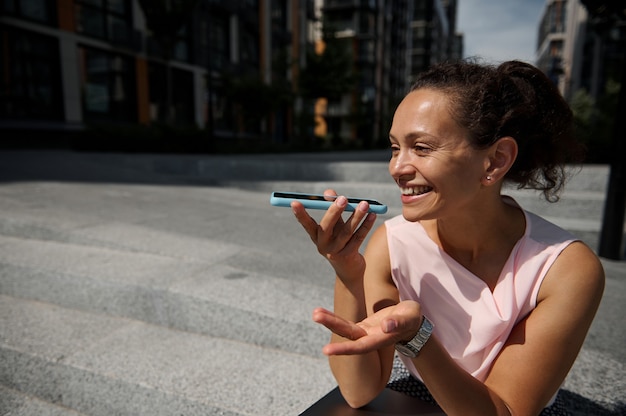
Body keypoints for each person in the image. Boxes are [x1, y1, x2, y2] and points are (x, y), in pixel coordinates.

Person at [291, 59, 605, 416]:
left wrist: (417, 338)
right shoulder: (393, 243)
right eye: (395, 148)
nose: (397, 167)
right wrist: (347, 273)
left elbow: (505, 410)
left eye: (421, 148)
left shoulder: (565, 268)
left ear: (495, 160)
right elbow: (358, 392)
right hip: (420, 392)